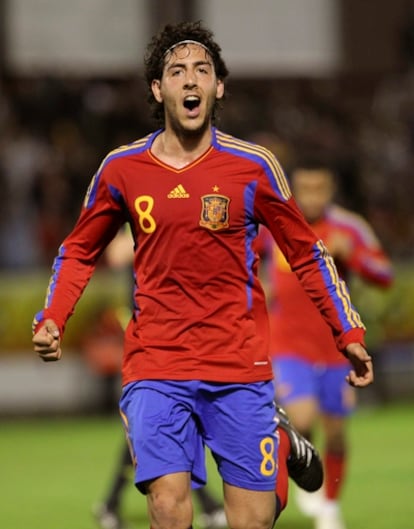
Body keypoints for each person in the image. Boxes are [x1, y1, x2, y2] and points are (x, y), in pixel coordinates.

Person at [32, 21, 373, 529]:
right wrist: (54, 315)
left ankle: (275, 438)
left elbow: (307, 253)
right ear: (158, 88)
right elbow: (80, 249)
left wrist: (347, 330)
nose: (190, 80)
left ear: (218, 87)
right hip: (156, 362)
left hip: (237, 362)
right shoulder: (122, 169)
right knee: (168, 507)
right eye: (176, 71)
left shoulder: (252, 167)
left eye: (202, 70)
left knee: (251, 521)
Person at [258, 156, 393, 529]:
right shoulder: (275, 225)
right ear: (294, 189)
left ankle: (330, 503)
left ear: (330, 190)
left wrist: (356, 257)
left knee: (335, 432)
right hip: (287, 347)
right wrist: (258, 286)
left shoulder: (348, 228)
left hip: (336, 350)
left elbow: (385, 274)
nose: (312, 196)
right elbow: (242, 260)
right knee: (300, 418)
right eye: (305, 188)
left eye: (319, 188)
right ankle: (306, 470)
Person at [93, 227, 227, 529]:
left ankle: (111, 503)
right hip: (147, 334)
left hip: (179, 333)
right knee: (161, 430)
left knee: (160, 431)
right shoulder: (137, 211)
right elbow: (116, 255)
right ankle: (204, 503)